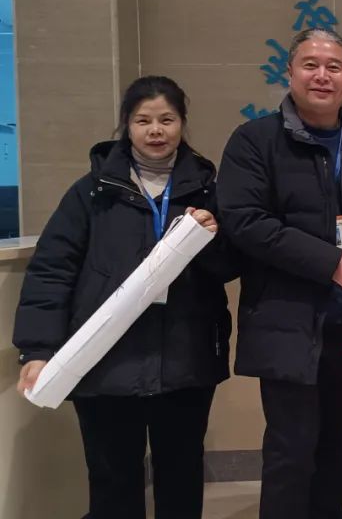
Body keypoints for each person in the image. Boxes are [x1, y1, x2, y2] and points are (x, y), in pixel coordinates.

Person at [13, 75, 234, 519]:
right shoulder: (91, 192)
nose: (156, 131)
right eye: (143, 120)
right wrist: (37, 350)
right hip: (104, 361)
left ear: (182, 123)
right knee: (112, 480)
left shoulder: (208, 191)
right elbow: (52, 271)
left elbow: (231, 266)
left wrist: (211, 238)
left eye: (167, 120)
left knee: (181, 475)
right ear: (126, 125)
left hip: (184, 359)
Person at [216, 28, 342, 519]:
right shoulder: (255, 141)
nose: (322, 75)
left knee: (333, 444)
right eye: (311, 65)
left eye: (334, 66)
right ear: (290, 72)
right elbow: (245, 221)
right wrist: (330, 263)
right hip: (288, 323)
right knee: (291, 449)